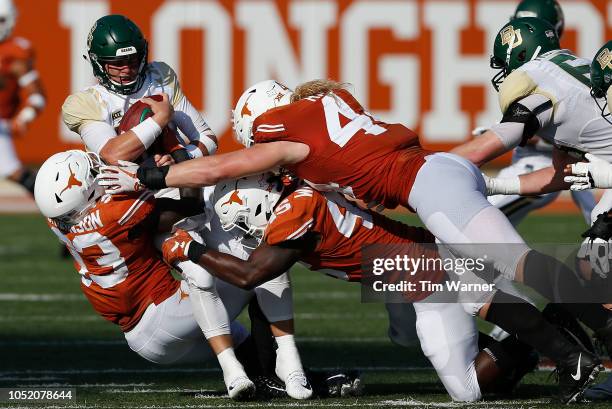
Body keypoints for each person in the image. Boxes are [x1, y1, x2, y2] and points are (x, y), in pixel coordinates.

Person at [162, 173, 599, 403]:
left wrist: (192, 249)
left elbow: (249, 274)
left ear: (260, 207)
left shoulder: (295, 215)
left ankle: (543, 339)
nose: (247, 233)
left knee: (468, 389)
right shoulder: (297, 191)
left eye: (246, 224)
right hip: (401, 263)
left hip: (414, 267)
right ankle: (552, 336)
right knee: (417, 328)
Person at [32, 150, 313, 400]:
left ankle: (281, 380)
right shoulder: (117, 213)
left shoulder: (58, 220)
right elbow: (191, 205)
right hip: (165, 314)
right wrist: (178, 163)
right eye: (94, 174)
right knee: (261, 270)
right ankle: (289, 367)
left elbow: (145, 224)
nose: (100, 172)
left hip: (141, 340)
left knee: (245, 346)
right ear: (87, 194)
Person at [484, 0, 595, 225]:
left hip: (543, 168)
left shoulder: (545, 75)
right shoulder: (570, 65)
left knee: (472, 223)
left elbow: (577, 141)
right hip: (547, 166)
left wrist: (502, 135)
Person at [62, 15, 216, 166]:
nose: (127, 69)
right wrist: (160, 119)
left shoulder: (160, 77)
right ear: (98, 63)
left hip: (172, 181)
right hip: (123, 188)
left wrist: (181, 158)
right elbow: (113, 155)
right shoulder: (85, 103)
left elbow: (207, 138)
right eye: (118, 63)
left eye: (133, 60)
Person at [0, 0, 45, 194]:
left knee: (15, 172)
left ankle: (60, 205)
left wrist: (25, 116)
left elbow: (37, 95)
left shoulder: (14, 53)